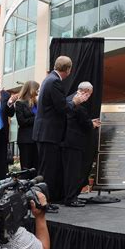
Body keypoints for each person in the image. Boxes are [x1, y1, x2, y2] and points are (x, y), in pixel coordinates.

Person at [32, 56, 86, 203]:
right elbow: (61, 107)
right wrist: (75, 101)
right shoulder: (55, 81)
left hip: (44, 133)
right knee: (47, 171)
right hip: (48, 134)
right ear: (68, 69)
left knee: (46, 170)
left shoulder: (48, 79)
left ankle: (44, 201)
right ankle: (43, 202)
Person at [62, 81, 101, 207]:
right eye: (89, 94)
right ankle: (71, 198)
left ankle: (71, 196)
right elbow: (81, 121)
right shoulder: (76, 101)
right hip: (74, 142)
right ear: (86, 92)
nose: (89, 97)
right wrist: (92, 124)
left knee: (70, 172)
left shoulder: (68, 98)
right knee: (74, 173)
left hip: (67, 141)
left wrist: (89, 121)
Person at [15, 80, 40, 175]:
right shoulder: (20, 103)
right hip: (26, 140)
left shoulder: (38, 103)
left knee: (36, 167)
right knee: (26, 167)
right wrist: (37, 118)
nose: (38, 91)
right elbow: (21, 122)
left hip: (37, 139)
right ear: (31, 89)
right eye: (37, 89)